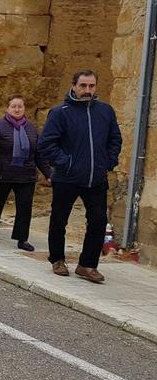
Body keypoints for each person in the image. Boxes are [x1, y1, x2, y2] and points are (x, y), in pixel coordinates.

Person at [39, 70, 122, 283]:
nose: (87, 90)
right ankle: (57, 259)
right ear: (74, 86)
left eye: (91, 86)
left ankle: (87, 265)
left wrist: (108, 162)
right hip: (67, 177)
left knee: (98, 221)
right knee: (59, 220)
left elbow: (115, 139)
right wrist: (67, 163)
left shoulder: (105, 111)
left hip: (96, 178)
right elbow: (47, 144)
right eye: (83, 86)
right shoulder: (60, 113)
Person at [0, 95, 52, 250]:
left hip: (26, 175)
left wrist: (48, 173)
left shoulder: (31, 129)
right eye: (14, 106)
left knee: (25, 206)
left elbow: (38, 153)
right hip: (1, 174)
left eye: (20, 106)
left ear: (24, 108)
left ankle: (22, 238)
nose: (17, 109)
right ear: (8, 108)